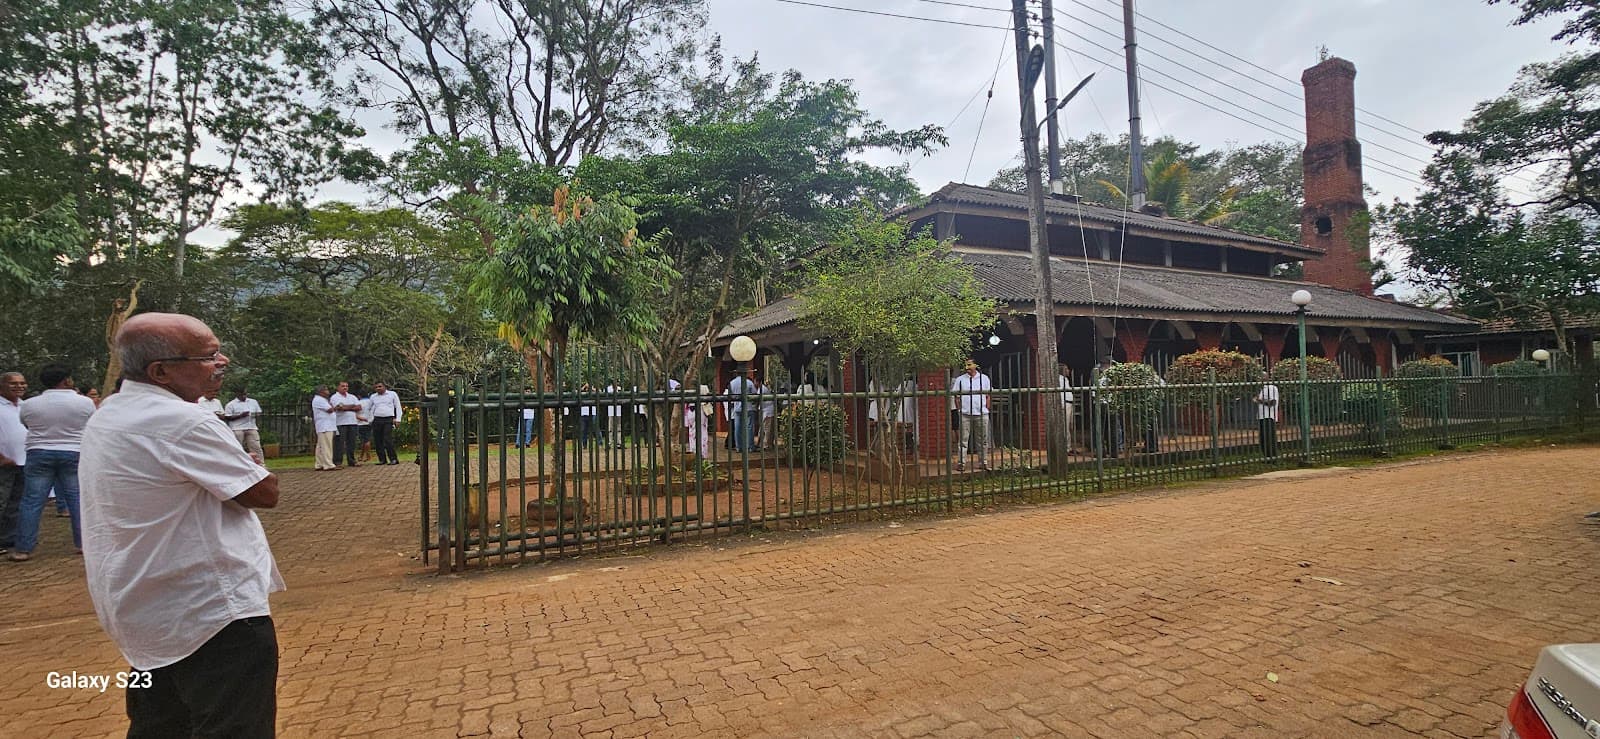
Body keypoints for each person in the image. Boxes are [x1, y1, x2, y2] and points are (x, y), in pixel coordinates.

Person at [79, 312, 282, 738]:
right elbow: (263, 491)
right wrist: (246, 465)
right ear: (162, 371)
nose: (221, 363)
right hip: (211, 612)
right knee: (233, 725)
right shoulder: (182, 421)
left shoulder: (110, 413)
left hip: (143, 608)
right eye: (208, 357)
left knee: (159, 724)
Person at [10, 364, 97, 561]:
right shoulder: (85, 403)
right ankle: (83, 545)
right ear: (66, 380)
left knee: (32, 501)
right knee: (77, 499)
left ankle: (24, 549)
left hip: (39, 451)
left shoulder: (30, 404)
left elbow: (26, 423)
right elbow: (90, 424)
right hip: (74, 452)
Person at [0, 372, 27, 555]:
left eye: (23, 383)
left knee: (16, 504)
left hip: (24, 462)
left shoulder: (25, 406)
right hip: (4, 464)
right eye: (14, 383)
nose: (19, 386)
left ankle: (8, 539)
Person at [950, 359, 992, 472]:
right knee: (963, 440)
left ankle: (983, 462)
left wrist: (986, 407)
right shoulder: (960, 380)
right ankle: (961, 463)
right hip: (965, 413)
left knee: (982, 439)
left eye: (969, 365)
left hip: (981, 412)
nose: (967, 367)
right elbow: (956, 396)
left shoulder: (984, 378)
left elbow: (988, 395)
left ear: (975, 365)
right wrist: (959, 410)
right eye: (966, 365)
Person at [222, 388, 265, 461]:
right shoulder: (231, 404)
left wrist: (255, 415)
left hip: (251, 426)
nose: (244, 396)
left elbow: (259, 412)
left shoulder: (253, 402)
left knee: (256, 447)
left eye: (245, 394)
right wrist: (240, 415)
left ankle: (261, 465)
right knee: (237, 447)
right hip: (237, 428)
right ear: (237, 394)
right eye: (242, 394)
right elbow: (227, 417)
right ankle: (237, 463)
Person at [328, 381, 361, 467]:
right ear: (338, 387)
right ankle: (337, 461)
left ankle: (351, 460)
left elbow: (359, 407)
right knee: (339, 443)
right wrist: (351, 407)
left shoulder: (352, 396)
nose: (345, 387)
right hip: (340, 423)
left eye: (346, 386)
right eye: (343, 386)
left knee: (352, 442)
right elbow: (339, 408)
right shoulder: (334, 397)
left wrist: (346, 407)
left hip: (352, 422)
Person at [368, 381, 401, 465]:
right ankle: (382, 459)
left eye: (380, 386)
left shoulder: (392, 394)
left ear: (384, 387)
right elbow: (370, 408)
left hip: (388, 419)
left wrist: (398, 419)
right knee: (378, 440)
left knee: (387, 439)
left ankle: (393, 459)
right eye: (376, 387)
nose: (378, 388)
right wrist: (370, 419)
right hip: (377, 419)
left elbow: (398, 406)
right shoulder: (373, 397)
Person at [727, 368, 759, 452]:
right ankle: (750, 446)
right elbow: (755, 394)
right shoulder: (749, 382)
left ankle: (739, 447)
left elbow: (730, 396)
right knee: (749, 427)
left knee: (737, 427)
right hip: (748, 407)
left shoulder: (732, 383)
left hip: (737, 408)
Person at [311, 386, 337, 471]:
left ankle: (319, 464)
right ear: (321, 391)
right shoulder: (319, 400)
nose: (328, 391)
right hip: (325, 426)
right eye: (326, 390)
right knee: (326, 445)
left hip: (325, 425)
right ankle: (328, 464)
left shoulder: (322, 400)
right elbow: (329, 409)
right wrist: (338, 407)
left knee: (321, 446)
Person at [685, 385, 713, 459]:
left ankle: (693, 452)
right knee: (702, 432)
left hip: (690, 412)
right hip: (700, 412)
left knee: (692, 433)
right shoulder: (704, 400)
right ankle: (702, 454)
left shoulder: (689, 399)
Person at [1254, 381, 1281, 458]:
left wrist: (1259, 400)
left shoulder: (1271, 388)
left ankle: (1273, 457)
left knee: (1269, 438)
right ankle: (1267, 457)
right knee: (1263, 439)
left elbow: (1272, 402)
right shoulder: (1262, 389)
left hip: (1269, 416)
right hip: (1261, 416)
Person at [1057, 365, 1076, 452]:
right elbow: (1061, 393)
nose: (1068, 371)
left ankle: (1069, 446)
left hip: (1069, 403)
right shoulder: (1060, 379)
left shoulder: (1065, 379)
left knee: (1069, 426)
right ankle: (1067, 448)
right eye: (1066, 369)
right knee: (1065, 426)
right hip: (1065, 403)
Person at [355, 388, 374, 463]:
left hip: (361, 423)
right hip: (370, 422)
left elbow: (355, 414)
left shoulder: (358, 403)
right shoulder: (371, 402)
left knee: (365, 440)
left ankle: (368, 455)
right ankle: (361, 456)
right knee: (365, 440)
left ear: (359, 396)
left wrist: (362, 418)